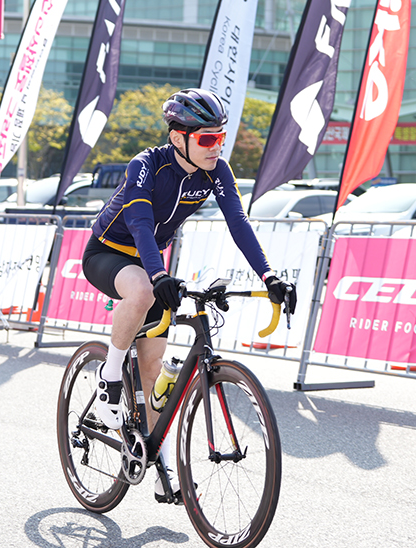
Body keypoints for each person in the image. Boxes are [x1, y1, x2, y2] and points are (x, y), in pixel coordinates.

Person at [82, 88, 296, 502]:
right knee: (142, 290)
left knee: (153, 370)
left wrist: (269, 276)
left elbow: (238, 222)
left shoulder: (216, 172)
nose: (217, 147)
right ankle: (109, 373)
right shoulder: (146, 165)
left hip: (150, 263)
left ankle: (156, 461)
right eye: (207, 139)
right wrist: (159, 273)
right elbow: (140, 223)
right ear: (178, 137)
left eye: (221, 137)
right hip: (108, 253)